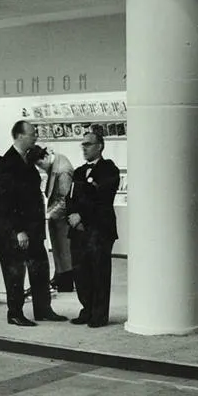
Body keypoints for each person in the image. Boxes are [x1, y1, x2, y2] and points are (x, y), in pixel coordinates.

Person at [0, 120, 67, 326]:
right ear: (19, 136)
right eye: (32, 133)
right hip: (20, 230)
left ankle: (43, 309)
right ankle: (15, 313)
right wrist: (18, 230)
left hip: (34, 229)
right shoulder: (9, 163)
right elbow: (6, 201)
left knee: (40, 268)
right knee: (16, 270)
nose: (35, 136)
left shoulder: (26, 161)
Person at [67, 129, 121, 328]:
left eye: (88, 144)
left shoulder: (109, 169)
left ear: (100, 146)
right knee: (81, 273)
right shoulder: (79, 171)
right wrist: (72, 216)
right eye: (83, 144)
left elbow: (103, 199)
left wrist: (81, 215)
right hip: (79, 230)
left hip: (99, 229)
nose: (84, 148)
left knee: (99, 272)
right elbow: (70, 197)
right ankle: (86, 309)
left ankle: (99, 314)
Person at [30, 145, 77, 293]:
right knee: (59, 249)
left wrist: (48, 214)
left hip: (62, 217)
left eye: (39, 164)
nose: (40, 168)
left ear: (44, 158)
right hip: (57, 215)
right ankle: (61, 276)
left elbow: (64, 200)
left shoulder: (63, 170)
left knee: (64, 250)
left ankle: (65, 280)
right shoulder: (55, 163)